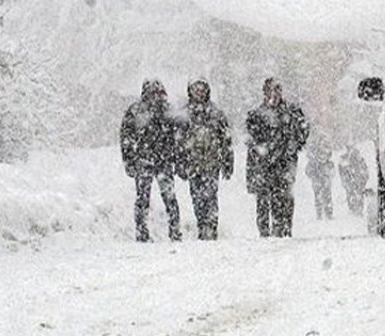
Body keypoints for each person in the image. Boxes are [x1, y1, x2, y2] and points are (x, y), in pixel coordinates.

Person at [246, 78, 310, 238]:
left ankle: (284, 229)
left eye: (277, 90)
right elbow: (251, 139)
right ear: (264, 93)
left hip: (285, 162)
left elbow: (303, 129)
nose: (273, 95)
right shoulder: (257, 115)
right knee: (263, 198)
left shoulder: (292, 112)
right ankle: (265, 231)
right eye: (270, 91)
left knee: (284, 197)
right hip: (264, 163)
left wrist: (294, 145)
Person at [120, 79, 182, 242]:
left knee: (169, 198)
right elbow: (126, 137)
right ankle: (141, 232)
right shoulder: (135, 111)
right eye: (152, 92)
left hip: (163, 161)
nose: (155, 95)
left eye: (158, 92)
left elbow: (178, 137)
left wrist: (177, 158)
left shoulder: (168, 111)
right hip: (144, 161)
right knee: (142, 199)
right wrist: (129, 160)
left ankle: (175, 231)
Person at [180, 79, 233, 240]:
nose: (199, 92)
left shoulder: (216, 113)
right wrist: (181, 163)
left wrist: (228, 162)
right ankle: (202, 225)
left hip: (212, 163)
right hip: (193, 164)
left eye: (202, 89)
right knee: (196, 197)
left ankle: (211, 227)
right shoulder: (184, 114)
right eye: (196, 89)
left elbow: (226, 140)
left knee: (210, 196)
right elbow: (179, 142)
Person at [305, 138, 335, 220]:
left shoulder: (319, 161)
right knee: (322, 196)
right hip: (319, 180)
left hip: (322, 180)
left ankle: (326, 213)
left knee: (325, 196)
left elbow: (308, 171)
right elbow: (308, 171)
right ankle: (323, 213)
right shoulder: (314, 162)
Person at [338, 145, 369, 217]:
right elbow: (342, 171)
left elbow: (365, 171)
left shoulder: (357, 160)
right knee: (354, 194)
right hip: (353, 180)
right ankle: (355, 210)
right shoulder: (346, 159)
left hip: (356, 180)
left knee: (356, 194)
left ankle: (356, 210)